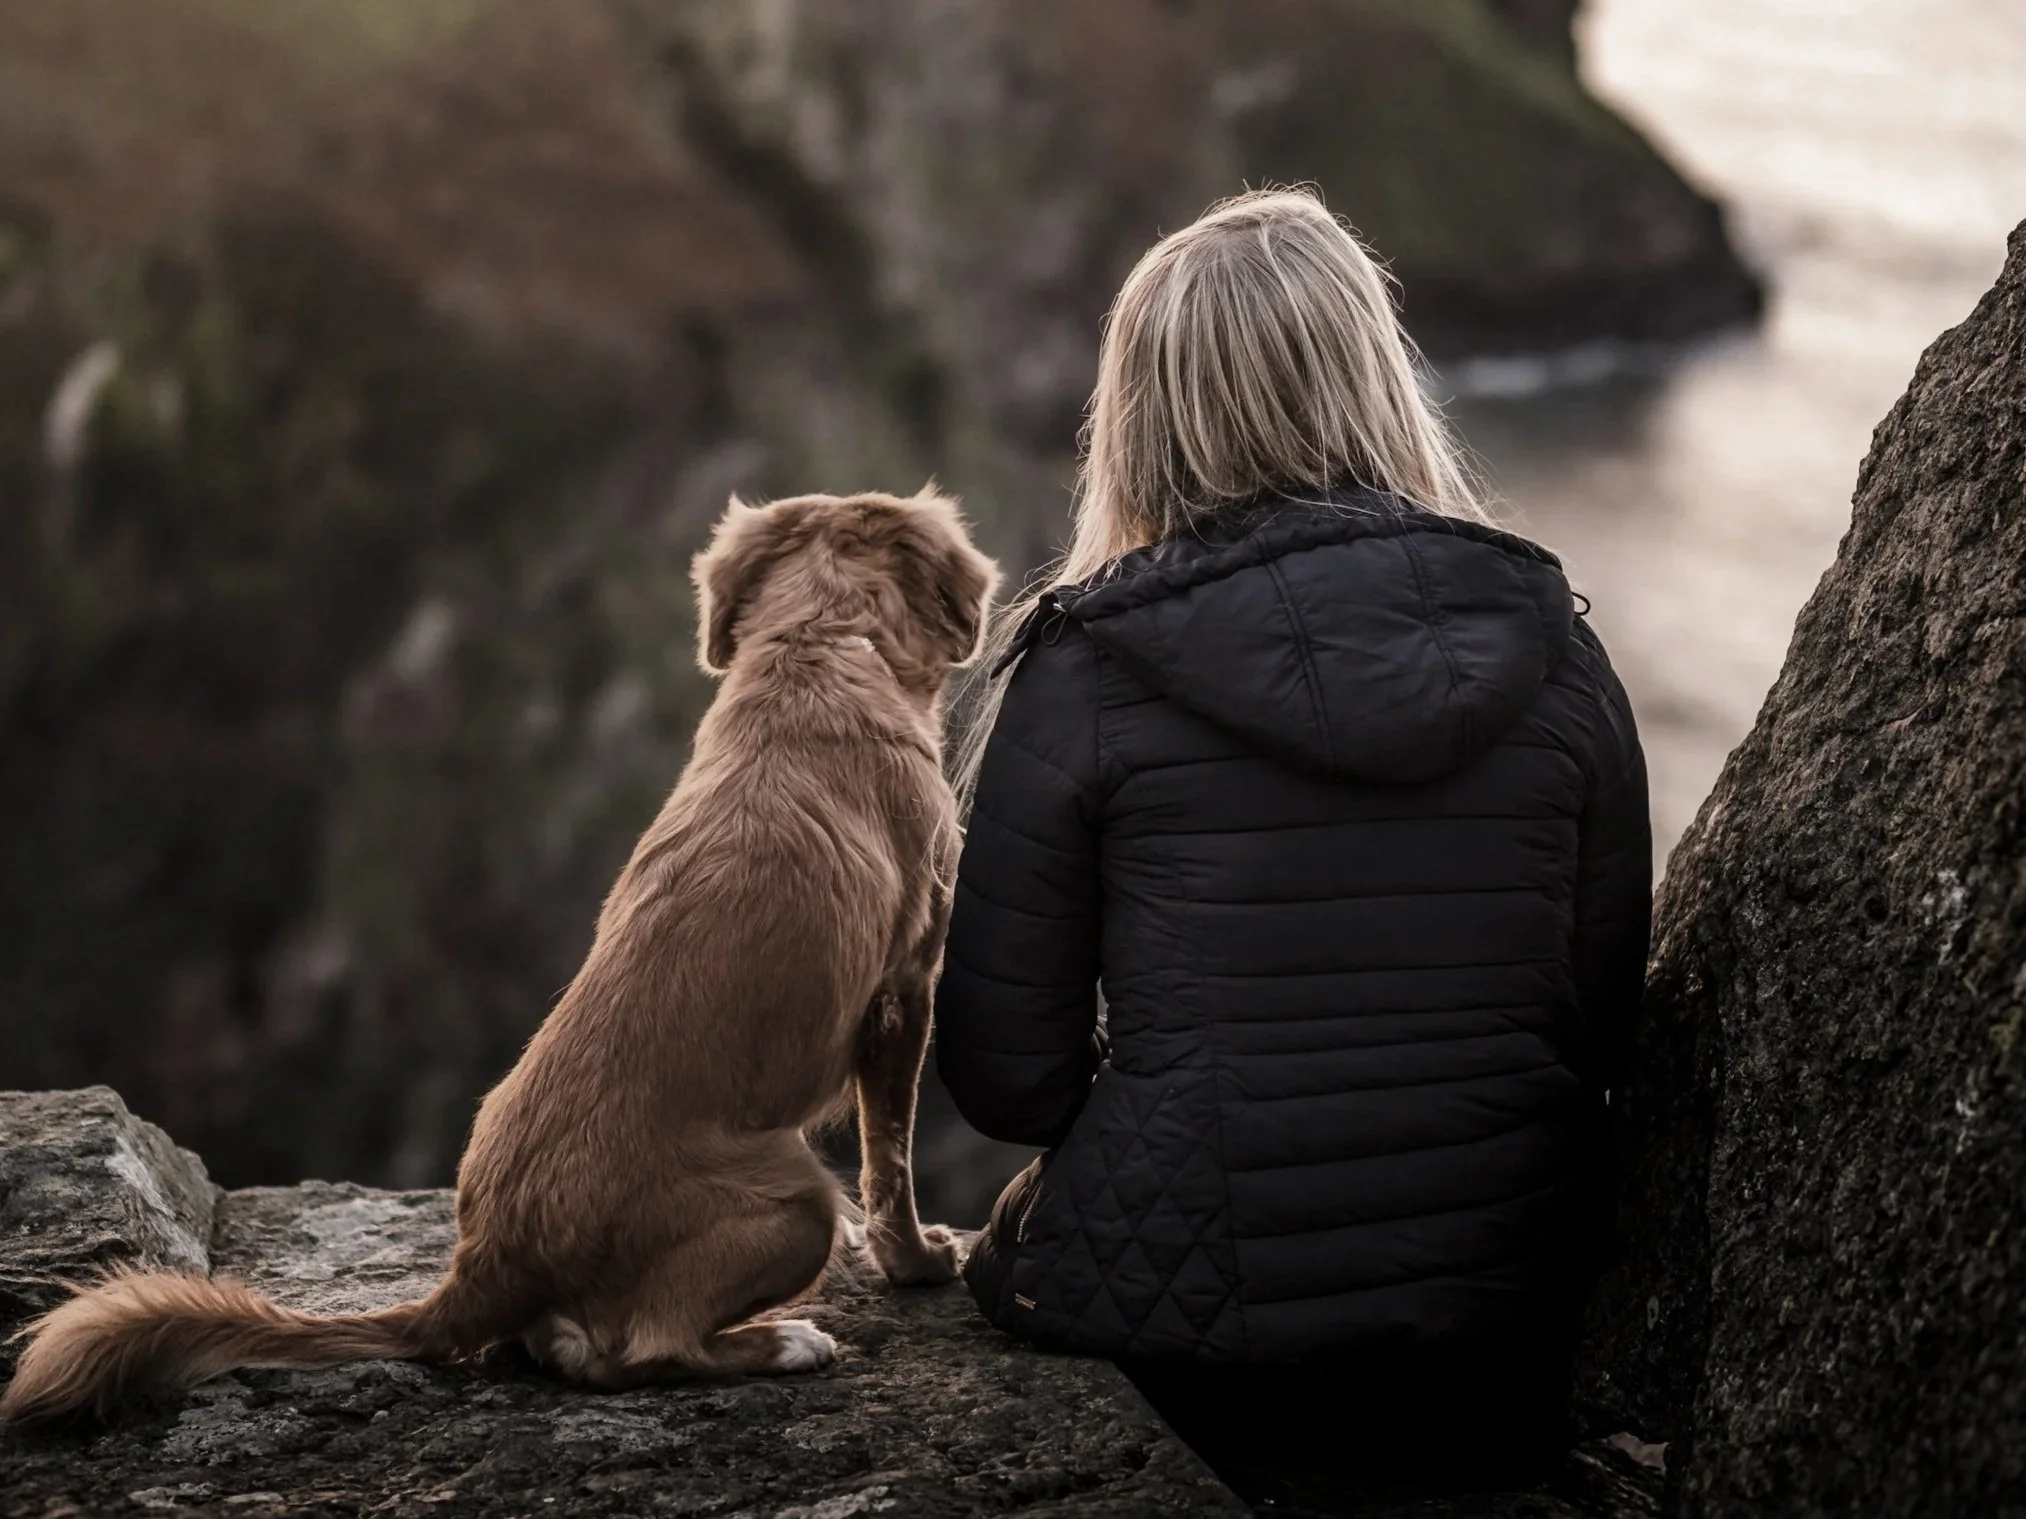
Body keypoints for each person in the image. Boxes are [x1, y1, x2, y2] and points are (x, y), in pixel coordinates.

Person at [933, 188, 1650, 1483]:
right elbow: (1595, 1029)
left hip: (1203, 1356)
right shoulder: (1554, 646)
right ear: (1377, 377)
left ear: (1141, 416)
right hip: (1501, 1321)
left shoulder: (1083, 669)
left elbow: (1006, 1082)